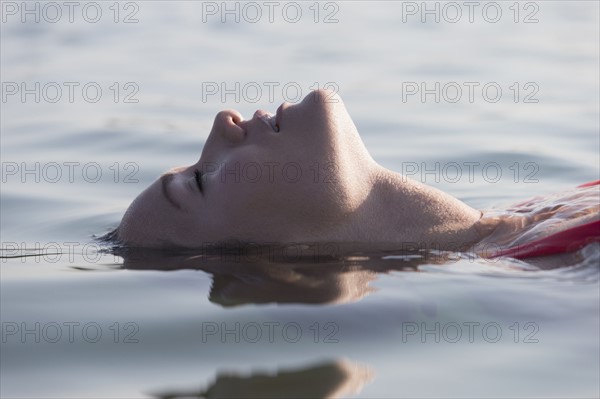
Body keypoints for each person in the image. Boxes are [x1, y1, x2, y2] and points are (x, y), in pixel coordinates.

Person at [113, 89, 599, 260]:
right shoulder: (569, 271)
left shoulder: (545, 216)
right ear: (278, 275)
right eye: (199, 180)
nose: (225, 120)